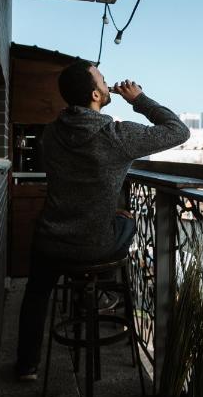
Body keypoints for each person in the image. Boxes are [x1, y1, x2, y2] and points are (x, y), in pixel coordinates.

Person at [16, 57, 190, 379]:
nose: (107, 81)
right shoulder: (115, 135)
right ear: (96, 95)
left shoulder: (51, 134)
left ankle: (26, 365)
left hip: (50, 241)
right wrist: (138, 99)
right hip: (93, 246)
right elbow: (178, 131)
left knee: (37, 292)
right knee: (129, 222)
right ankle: (98, 292)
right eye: (101, 79)